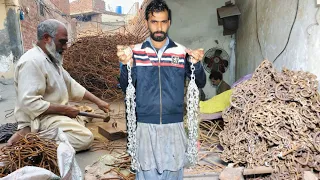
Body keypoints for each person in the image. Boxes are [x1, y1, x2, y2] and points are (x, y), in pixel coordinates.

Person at [117, 1, 206, 179]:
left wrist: (197, 64)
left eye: (163, 22)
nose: (159, 27)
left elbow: (201, 82)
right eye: (154, 22)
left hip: (174, 126)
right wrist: (125, 65)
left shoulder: (181, 53)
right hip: (145, 126)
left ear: (169, 23)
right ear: (147, 22)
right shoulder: (135, 53)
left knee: (173, 173)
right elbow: (126, 87)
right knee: (146, 173)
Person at [7, 19, 110, 152]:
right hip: (41, 118)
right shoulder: (32, 62)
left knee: (87, 112)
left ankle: (57, 129)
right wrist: (65, 110)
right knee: (85, 138)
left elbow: (71, 84)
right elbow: (29, 103)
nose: (65, 47)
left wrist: (98, 102)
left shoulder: (51, 60)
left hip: (57, 113)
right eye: (62, 41)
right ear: (46, 38)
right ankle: (32, 139)